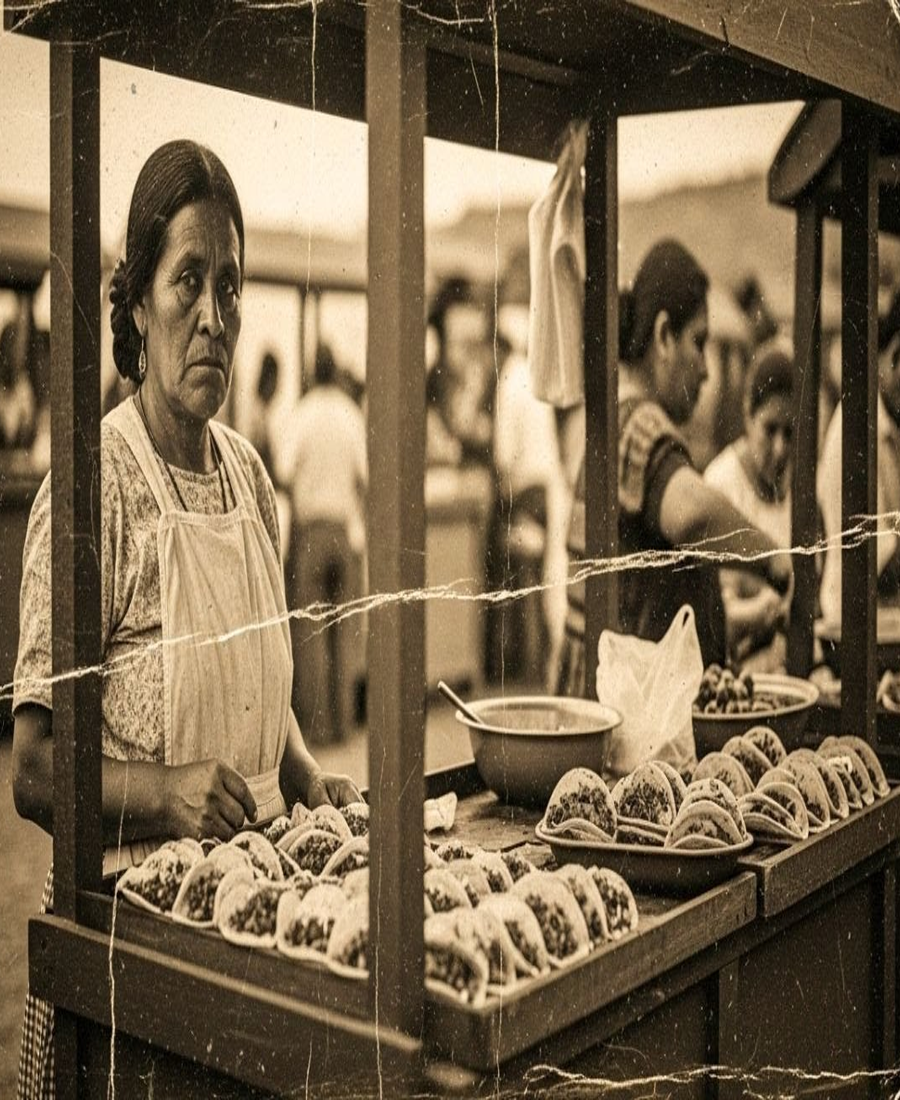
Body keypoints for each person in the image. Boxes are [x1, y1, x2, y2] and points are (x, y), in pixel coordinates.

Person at [11, 139, 360, 1100]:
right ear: (134, 303)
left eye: (233, 288)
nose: (214, 317)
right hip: (135, 942)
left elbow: (257, 671)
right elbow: (36, 771)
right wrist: (163, 792)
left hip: (250, 923)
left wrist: (303, 773)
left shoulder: (251, 478)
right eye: (188, 281)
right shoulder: (92, 488)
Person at [556, 239, 794, 696]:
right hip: (616, 710)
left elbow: (646, 600)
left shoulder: (618, 419)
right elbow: (693, 513)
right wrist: (778, 561)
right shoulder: (636, 422)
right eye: (698, 343)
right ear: (663, 335)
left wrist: (742, 618)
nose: (705, 371)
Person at [276, 343, 367, 745]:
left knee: (310, 635)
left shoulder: (303, 412)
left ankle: (317, 728)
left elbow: (282, 468)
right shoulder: (351, 413)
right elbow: (366, 475)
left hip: (311, 533)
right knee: (344, 631)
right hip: (344, 532)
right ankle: (345, 724)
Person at [704, 338, 794, 668]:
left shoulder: (798, 490)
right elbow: (711, 614)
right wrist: (764, 611)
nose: (780, 448)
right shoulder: (720, 486)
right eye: (770, 429)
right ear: (748, 415)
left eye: (790, 432)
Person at [818, 288, 900, 627]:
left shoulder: (893, 423)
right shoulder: (855, 424)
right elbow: (880, 563)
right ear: (888, 355)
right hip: (853, 629)